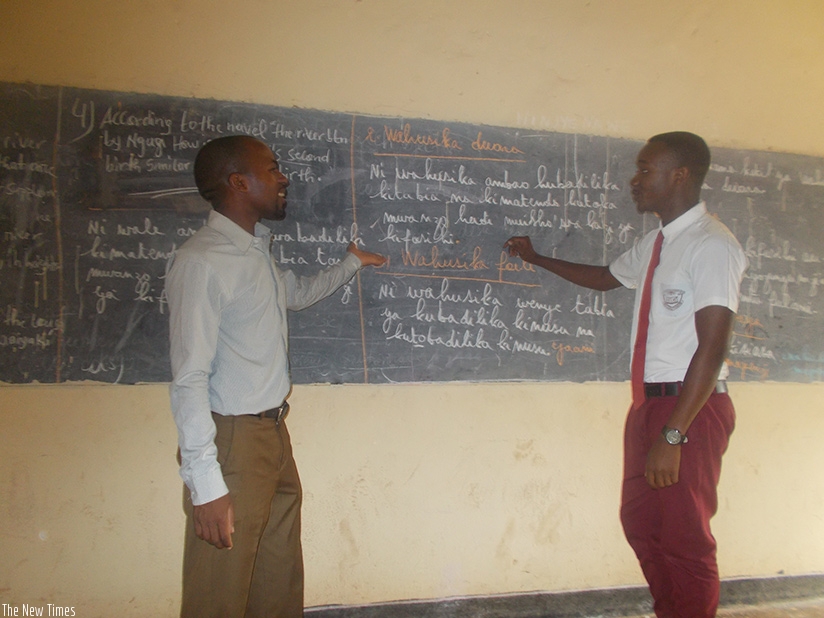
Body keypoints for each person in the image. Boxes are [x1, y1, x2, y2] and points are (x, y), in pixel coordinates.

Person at [504, 132, 748, 618]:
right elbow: (604, 277)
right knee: (641, 524)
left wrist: (674, 434)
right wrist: (536, 259)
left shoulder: (712, 245)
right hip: (649, 406)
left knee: (684, 538)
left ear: (679, 175)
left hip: (688, 410)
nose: (634, 181)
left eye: (645, 170)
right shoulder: (659, 242)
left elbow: (713, 346)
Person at [166, 135, 386, 618]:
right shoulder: (203, 261)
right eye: (272, 169)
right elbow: (188, 378)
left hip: (271, 434)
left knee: (277, 581)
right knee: (218, 593)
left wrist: (351, 264)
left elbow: (298, 293)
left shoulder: (255, 253)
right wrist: (206, 485)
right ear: (238, 182)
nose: (283, 177)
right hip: (233, 440)